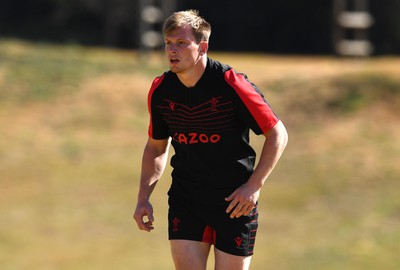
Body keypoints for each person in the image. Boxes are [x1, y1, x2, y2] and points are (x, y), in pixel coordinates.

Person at [133, 10, 288, 270]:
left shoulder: (231, 84)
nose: (172, 50)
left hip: (234, 203)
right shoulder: (161, 90)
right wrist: (143, 198)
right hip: (187, 199)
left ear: (202, 47)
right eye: (168, 43)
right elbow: (157, 147)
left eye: (181, 43)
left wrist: (253, 186)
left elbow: (277, 134)